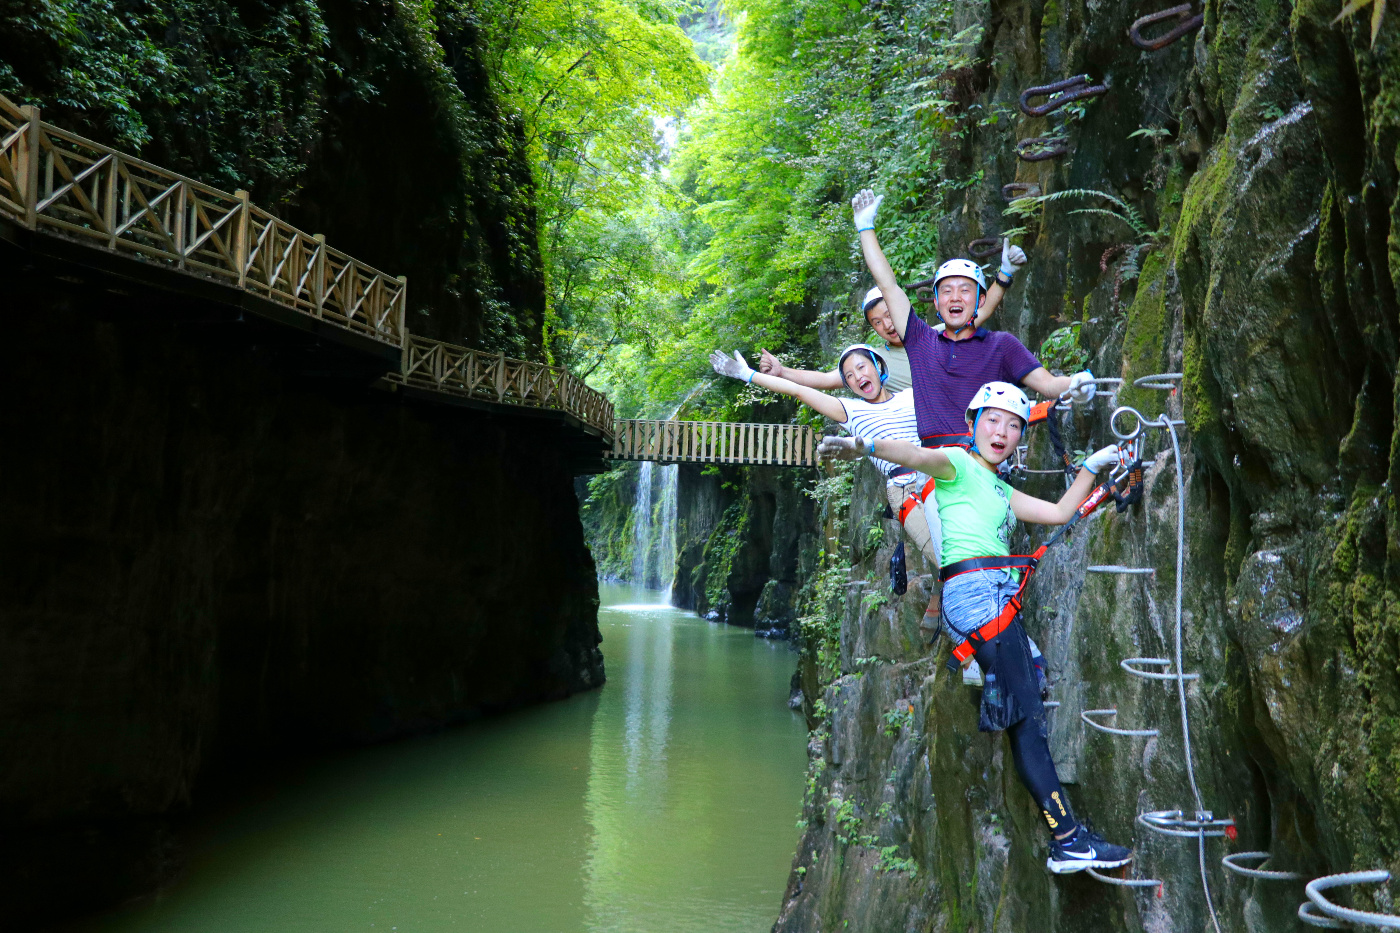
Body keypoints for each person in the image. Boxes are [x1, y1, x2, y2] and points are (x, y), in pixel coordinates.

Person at [816, 380, 1134, 875]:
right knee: (1027, 723)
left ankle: (1067, 832)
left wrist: (1095, 465)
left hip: (991, 600)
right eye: (992, 420)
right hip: (979, 599)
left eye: (1013, 425)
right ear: (972, 424)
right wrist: (866, 445)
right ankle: (1068, 839)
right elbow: (918, 457)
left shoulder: (1000, 489)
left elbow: (1056, 512)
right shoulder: (958, 465)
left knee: (1026, 697)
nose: (1002, 431)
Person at [708, 344, 944, 623]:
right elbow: (798, 391)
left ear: (879, 368)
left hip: (936, 475)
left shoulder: (912, 395)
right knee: (944, 555)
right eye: (849, 376)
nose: (857, 377)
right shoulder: (850, 410)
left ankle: (946, 595)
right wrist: (747, 375)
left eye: (861, 367)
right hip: (903, 489)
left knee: (963, 545)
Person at [847, 188, 1096, 449]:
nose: (955, 297)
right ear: (936, 302)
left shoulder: (1001, 346)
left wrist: (1078, 384)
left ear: (980, 301)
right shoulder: (920, 340)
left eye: (965, 290)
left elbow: (1048, 384)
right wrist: (865, 227)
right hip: (935, 464)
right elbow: (888, 285)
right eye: (946, 291)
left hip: (983, 462)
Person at [755, 239, 1026, 395]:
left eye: (889, 315)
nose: (887, 325)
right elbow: (826, 380)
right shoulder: (874, 362)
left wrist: (1005, 273)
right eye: (877, 322)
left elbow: (982, 309)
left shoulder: (939, 334)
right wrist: (781, 372)